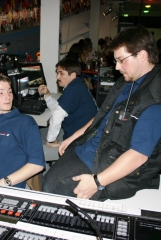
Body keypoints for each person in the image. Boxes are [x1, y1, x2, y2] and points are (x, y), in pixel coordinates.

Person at [43, 25, 161, 201]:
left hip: (106, 164)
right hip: (93, 148)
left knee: (53, 188)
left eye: (121, 60)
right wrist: (75, 135)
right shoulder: (126, 81)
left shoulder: (154, 100)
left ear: (142, 55)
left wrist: (97, 182)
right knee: (48, 181)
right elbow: (103, 115)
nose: (117, 67)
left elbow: (138, 155)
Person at [38, 58, 97, 148]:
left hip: (78, 142)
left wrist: (51, 140)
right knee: (36, 134)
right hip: (82, 135)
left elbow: (57, 115)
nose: (57, 77)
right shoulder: (77, 85)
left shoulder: (73, 90)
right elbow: (58, 108)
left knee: (34, 145)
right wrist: (48, 95)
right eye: (57, 73)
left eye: (61, 73)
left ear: (73, 75)